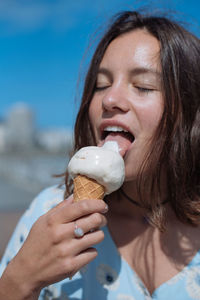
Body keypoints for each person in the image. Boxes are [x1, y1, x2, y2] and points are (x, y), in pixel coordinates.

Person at [1, 9, 200, 300]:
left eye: (143, 86)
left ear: (190, 114)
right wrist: (19, 280)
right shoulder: (47, 213)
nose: (109, 99)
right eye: (101, 85)